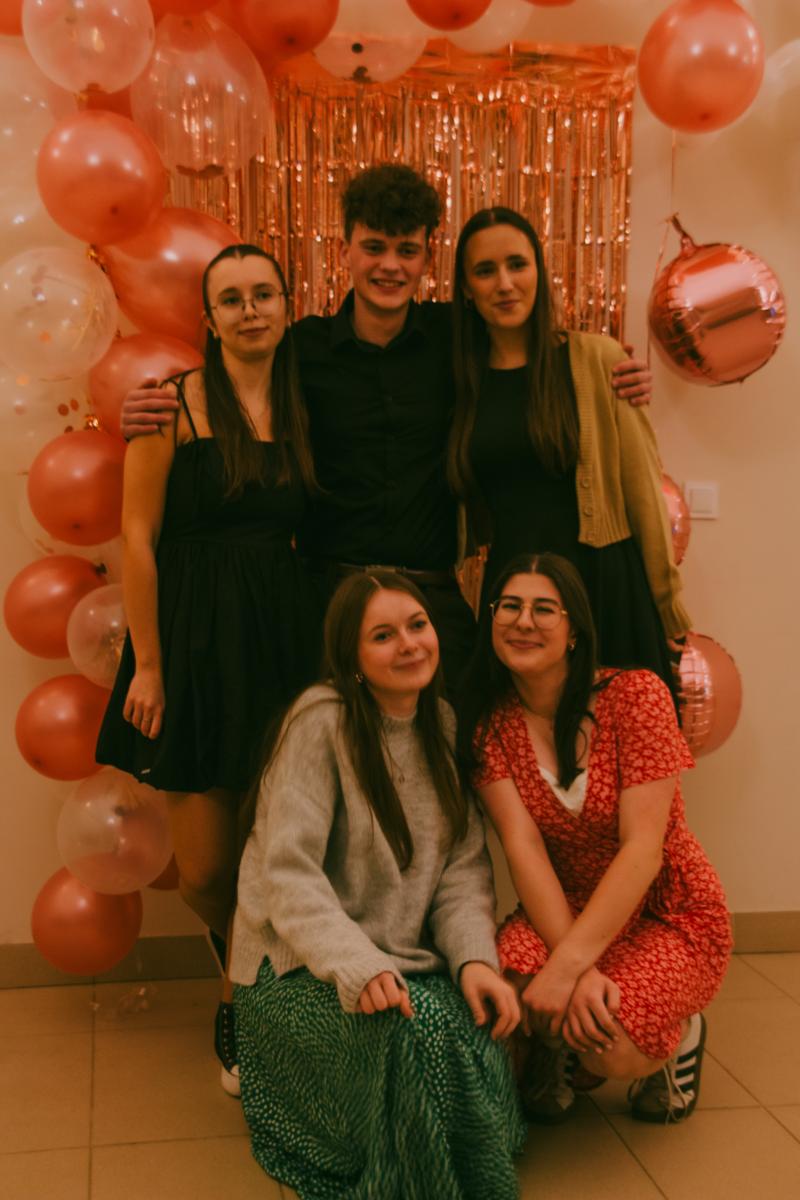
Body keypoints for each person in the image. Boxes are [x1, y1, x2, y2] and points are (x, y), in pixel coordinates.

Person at [120, 167, 653, 688]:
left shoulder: (457, 339)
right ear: (345, 250)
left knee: (466, 729)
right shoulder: (300, 349)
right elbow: (232, 378)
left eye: (407, 250)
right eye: (374, 247)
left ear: (427, 257)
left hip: (430, 596)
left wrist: (610, 367)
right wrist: (146, 409)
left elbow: (533, 348)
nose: (390, 266)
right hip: (326, 597)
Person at [96, 244, 321, 1093]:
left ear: (287, 306)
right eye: (232, 299)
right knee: (206, 869)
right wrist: (149, 666)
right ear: (210, 318)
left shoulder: (307, 402)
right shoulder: (171, 406)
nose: (250, 309)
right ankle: (241, 953)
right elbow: (137, 539)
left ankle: (241, 1004)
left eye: (264, 294)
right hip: (191, 641)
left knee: (282, 843)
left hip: (282, 638)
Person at [230, 570, 526, 1199]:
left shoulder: (441, 723)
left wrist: (475, 960)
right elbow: (290, 874)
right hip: (296, 966)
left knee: (471, 1022)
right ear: (353, 658)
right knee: (409, 1036)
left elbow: (462, 870)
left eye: (417, 626)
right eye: (384, 635)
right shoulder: (321, 721)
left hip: (398, 958)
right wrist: (358, 966)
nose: (410, 644)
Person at [457, 552, 732, 1125]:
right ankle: (558, 1047)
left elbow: (643, 850)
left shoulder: (637, 696)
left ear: (574, 630)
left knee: (611, 1042)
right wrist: (573, 968)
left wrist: (565, 971)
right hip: (567, 905)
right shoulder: (490, 727)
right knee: (506, 992)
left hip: (665, 910)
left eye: (544, 609)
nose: (523, 621)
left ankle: (679, 1037)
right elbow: (524, 848)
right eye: (509, 606)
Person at [448, 207, 688, 697]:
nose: (505, 283)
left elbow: (643, 491)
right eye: (485, 270)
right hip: (514, 597)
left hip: (602, 587)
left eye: (517, 264)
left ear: (538, 270)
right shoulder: (460, 380)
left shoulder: (596, 359)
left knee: (615, 736)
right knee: (517, 736)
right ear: (467, 289)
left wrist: (668, 607)